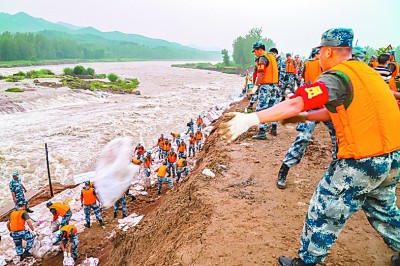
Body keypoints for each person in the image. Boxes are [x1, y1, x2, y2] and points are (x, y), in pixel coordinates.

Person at [219, 28, 400, 266]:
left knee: (323, 209)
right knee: (384, 210)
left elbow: (296, 102)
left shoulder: (337, 76)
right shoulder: (368, 73)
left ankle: (306, 262)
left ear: (327, 51)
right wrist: (306, 118)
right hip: (391, 158)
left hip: (361, 161)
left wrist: (251, 119)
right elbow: (340, 109)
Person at [251, 41, 279, 140]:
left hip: (265, 86)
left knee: (261, 108)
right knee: (272, 107)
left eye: (255, 51)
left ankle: (262, 131)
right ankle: (274, 128)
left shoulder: (263, 58)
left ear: (260, 50)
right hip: (273, 86)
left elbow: (261, 73)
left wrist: (255, 86)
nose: (255, 53)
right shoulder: (272, 57)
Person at [269, 47, 286, 136]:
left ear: (275, 54)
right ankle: (271, 126)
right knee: (271, 105)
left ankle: (274, 127)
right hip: (272, 85)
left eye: (273, 55)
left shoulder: (281, 61)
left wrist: (279, 84)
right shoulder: (273, 61)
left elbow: (282, 74)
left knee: (275, 105)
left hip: (277, 86)